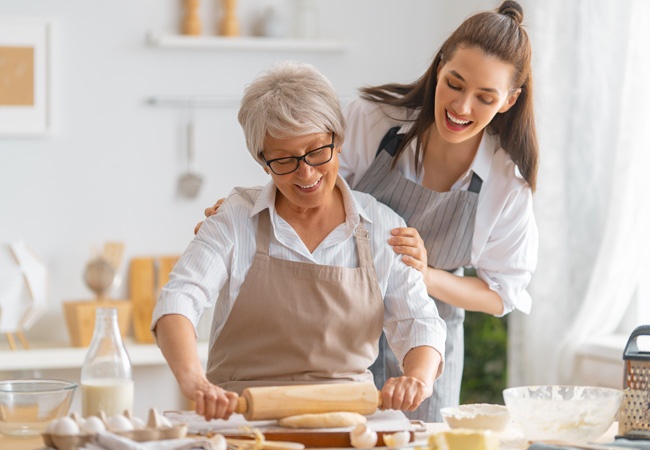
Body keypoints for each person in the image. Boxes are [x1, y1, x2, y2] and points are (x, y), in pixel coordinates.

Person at [196, 0, 539, 422]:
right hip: (342, 325)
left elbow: (501, 294)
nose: (462, 107)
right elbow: (310, 176)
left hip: (427, 334)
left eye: (485, 97)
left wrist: (423, 273)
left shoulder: (506, 186)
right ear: (438, 69)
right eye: (454, 83)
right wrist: (245, 208)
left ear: (509, 101)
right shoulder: (376, 121)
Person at [152, 61, 446, 422]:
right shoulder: (233, 219)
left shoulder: (384, 227)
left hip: (350, 418)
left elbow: (419, 322)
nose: (306, 173)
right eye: (284, 160)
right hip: (243, 419)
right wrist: (194, 381)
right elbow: (179, 300)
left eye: (316, 151)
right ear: (263, 162)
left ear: (339, 141)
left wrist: (417, 377)